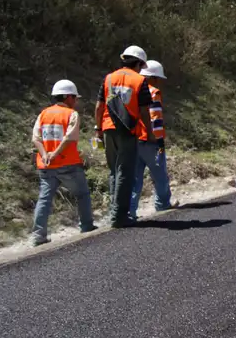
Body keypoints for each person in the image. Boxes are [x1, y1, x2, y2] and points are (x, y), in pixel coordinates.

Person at [95, 45, 154, 228]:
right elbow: (144, 111)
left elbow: (99, 107)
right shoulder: (140, 81)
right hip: (128, 131)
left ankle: (114, 212)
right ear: (137, 63)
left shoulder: (109, 78)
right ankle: (119, 217)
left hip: (107, 129)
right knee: (125, 173)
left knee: (114, 171)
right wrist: (150, 133)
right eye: (141, 65)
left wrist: (98, 129)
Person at [30, 80, 96, 245]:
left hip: (46, 165)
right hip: (68, 164)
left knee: (44, 199)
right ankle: (87, 226)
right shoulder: (71, 114)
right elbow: (69, 138)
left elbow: (35, 138)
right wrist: (55, 153)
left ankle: (38, 236)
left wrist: (45, 154)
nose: (76, 101)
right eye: (74, 97)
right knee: (82, 194)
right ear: (67, 97)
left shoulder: (43, 114)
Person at [129, 60, 178, 222]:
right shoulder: (153, 92)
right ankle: (162, 204)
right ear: (152, 78)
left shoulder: (133, 91)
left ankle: (130, 211)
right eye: (158, 79)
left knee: (135, 178)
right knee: (160, 176)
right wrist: (158, 140)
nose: (159, 82)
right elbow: (154, 118)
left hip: (135, 141)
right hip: (151, 142)